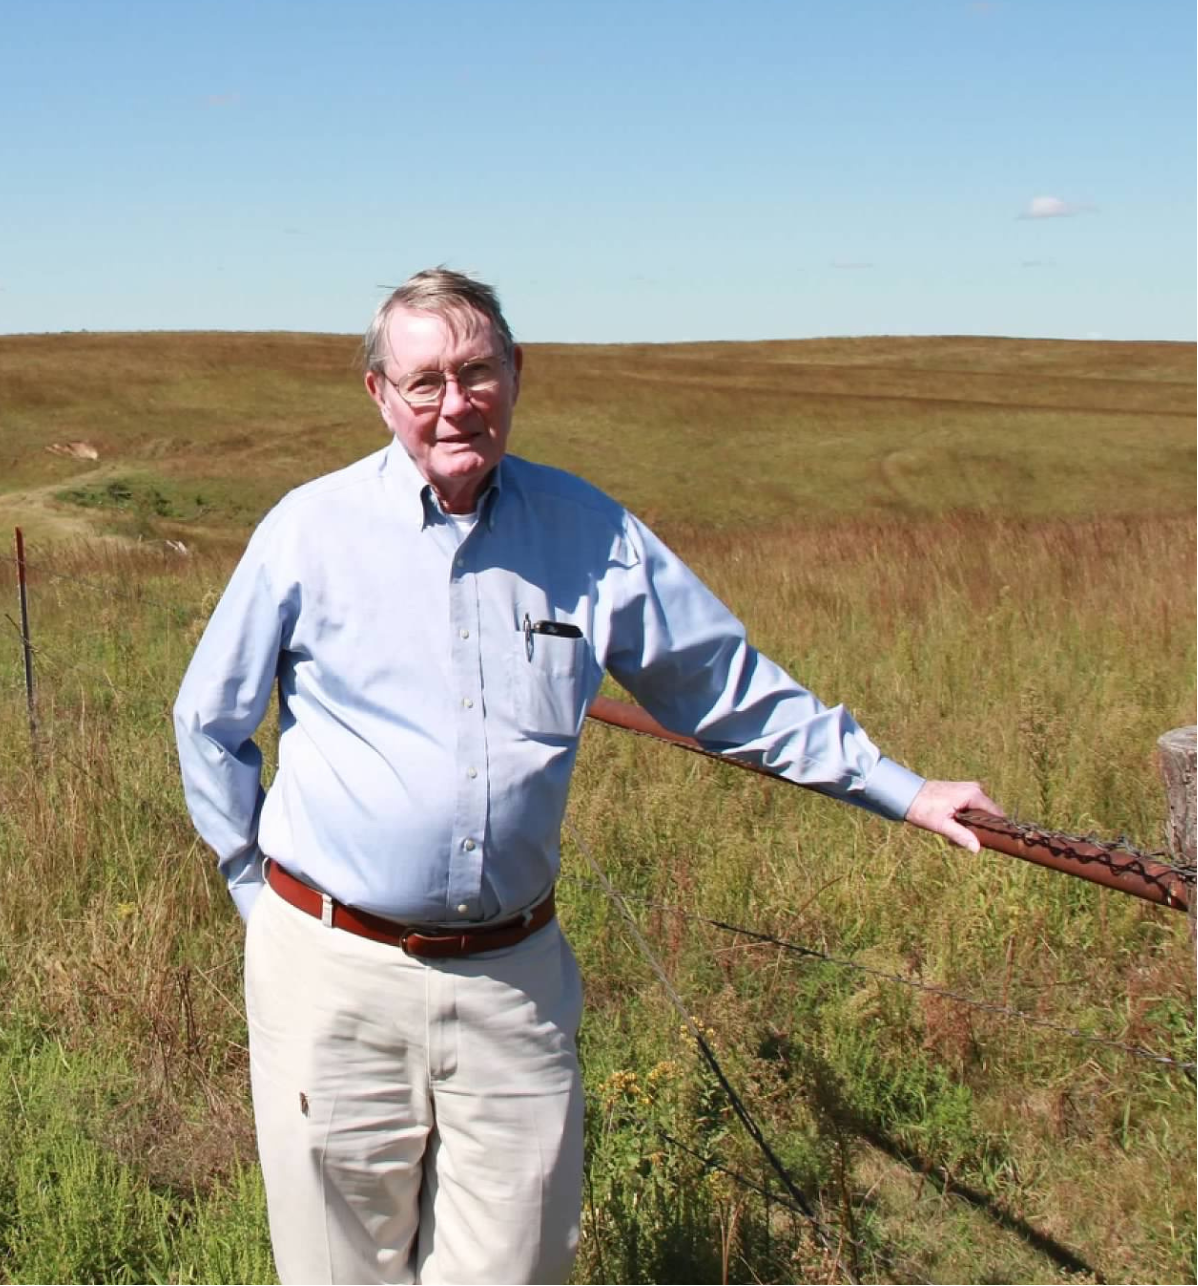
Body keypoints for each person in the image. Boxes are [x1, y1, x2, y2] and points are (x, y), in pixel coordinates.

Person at [171, 267, 1000, 1285]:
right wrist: (257, 893)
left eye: (476, 371)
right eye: (424, 379)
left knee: (515, 1266)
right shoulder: (308, 530)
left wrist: (901, 788)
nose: (454, 402)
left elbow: (723, 686)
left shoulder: (590, 533)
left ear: (516, 374)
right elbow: (205, 721)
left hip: (512, 978)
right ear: (379, 393)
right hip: (331, 971)